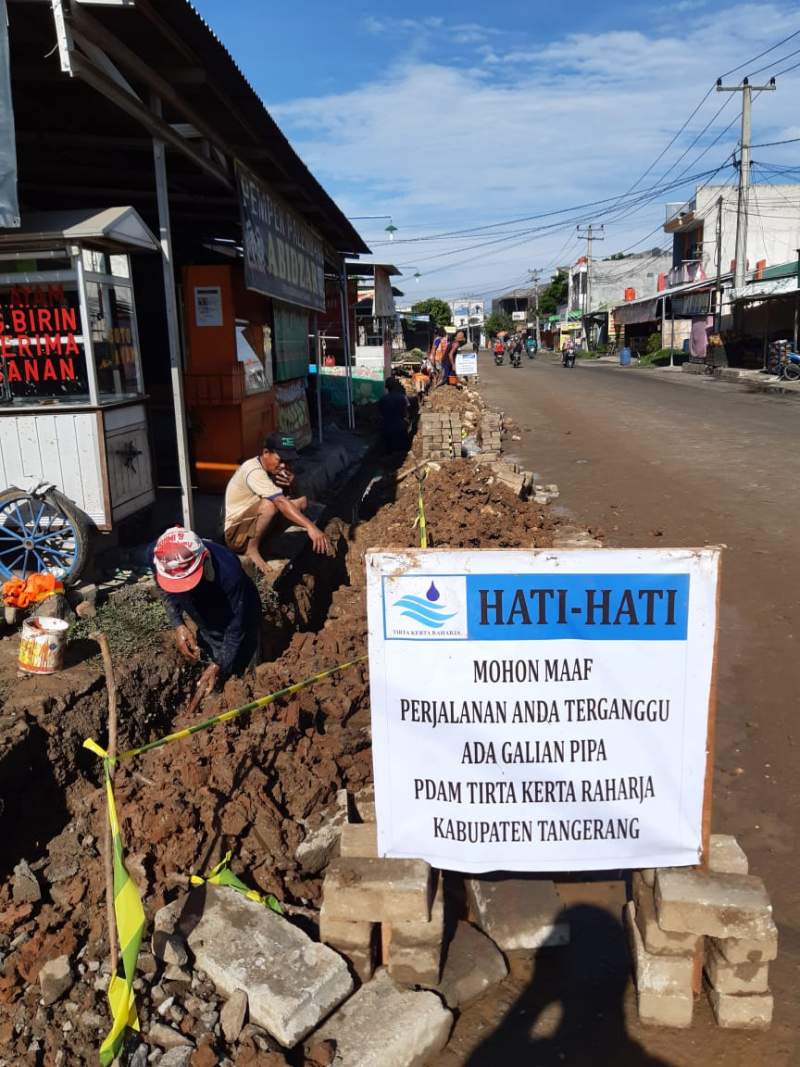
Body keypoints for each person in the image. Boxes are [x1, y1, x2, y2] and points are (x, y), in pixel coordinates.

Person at [151, 526, 261, 697]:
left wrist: (218, 664)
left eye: (186, 580)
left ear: (204, 560)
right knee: (210, 640)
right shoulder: (159, 554)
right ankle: (214, 686)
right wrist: (178, 624)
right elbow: (165, 588)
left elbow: (236, 628)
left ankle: (242, 691)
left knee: (244, 653)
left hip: (239, 606)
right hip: (201, 603)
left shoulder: (230, 573)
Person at [223, 433, 330, 576]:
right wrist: (311, 526)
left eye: (288, 461)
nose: (283, 466)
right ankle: (251, 549)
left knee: (300, 503)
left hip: (251, 525)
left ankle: (265, 543)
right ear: (265, 453)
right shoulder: (254, 470)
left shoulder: (275, 469)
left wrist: (293, 484)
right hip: (234, 534)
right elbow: (279, 501)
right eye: (280, 460)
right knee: (271, 505)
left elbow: (298, 500)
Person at [379, 376, 410, 452]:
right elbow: (406, 413)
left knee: (390, 451)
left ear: (387, 387)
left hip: (387, 429)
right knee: (401, 452)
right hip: (400, 429)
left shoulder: (383, 399)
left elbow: (380, 414)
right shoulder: (403, 397)